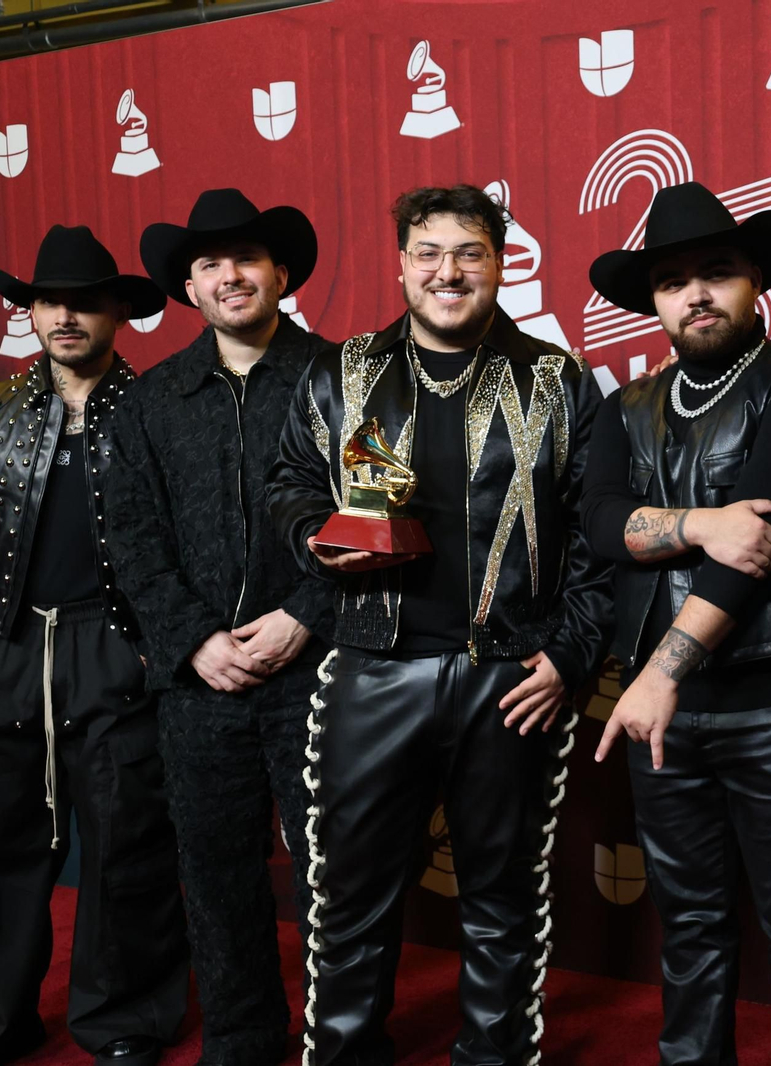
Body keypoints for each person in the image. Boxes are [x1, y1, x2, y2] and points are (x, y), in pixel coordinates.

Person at [267, 184, 612, 1066]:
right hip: (372, 669)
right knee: (349, 898)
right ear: (401, 265)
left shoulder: (557, 380)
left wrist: (568, 655)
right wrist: (316, 539)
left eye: (468, 253)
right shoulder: (341, 372)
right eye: (428, 252)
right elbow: (289, 485)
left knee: (503, 900)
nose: (447, 271)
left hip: (511, 677)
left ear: (499, 264)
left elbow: (599, 536)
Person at [582, 182, 771, 1065]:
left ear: (755, 283)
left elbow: (752, 554)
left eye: (716, 273)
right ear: (653, 302)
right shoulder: (625, 409)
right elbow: (599, 523)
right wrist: (702, 522)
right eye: (673, 282)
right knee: (690, 930)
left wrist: (658, 675)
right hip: (663, 717)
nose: (696, 294)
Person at [0, 225, 188, 1066]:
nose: (65, 317)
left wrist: (153, 650)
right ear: (30, 313)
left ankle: (123, 1023)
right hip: (6, 646)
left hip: (113, 646)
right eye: (49, 302)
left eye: (84, 302)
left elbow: (188, 547)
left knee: (127, 846)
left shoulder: (155, 410)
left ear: (118, 314)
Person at [107, 188, 333, 1066]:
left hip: (320, 670)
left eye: (246, 258)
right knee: (215, 872)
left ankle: (343, 1038)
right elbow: (133, 538)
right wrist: (195, 639)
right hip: (199, 682)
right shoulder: (152, 400)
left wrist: (305, 615)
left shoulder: (344, 378)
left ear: (281, 272)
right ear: (190, 288)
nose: (230, 275)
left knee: (336, 871)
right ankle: (242, 1041)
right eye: (210, 265)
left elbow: (381, 516)